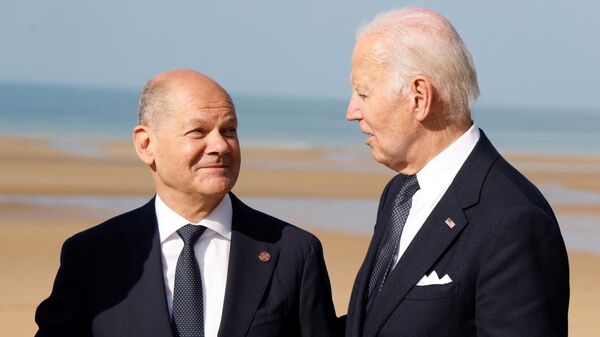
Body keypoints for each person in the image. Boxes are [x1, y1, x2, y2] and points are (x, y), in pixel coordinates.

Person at [35, 69, 338, 337]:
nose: (220, 146)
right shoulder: (92, 256)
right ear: (146, 144)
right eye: (198, 132)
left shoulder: (294, 252)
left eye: (229, 130)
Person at [343, 7, 569, 337]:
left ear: (419, 97)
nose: (352, 111)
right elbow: (380, 319)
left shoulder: (515, 222)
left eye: (363, 93)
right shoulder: (400, 193)